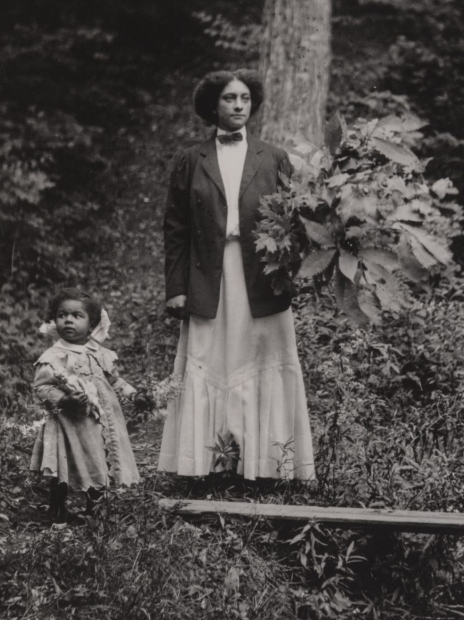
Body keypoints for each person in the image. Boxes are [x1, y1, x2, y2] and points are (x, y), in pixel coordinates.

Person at [158, 69, 315, 480]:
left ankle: (268, 464)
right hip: (208, 274)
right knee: (211, 357)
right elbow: (174, 230)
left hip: (261, 275)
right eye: (229, 99)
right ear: (213, 106)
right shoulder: (191, 159)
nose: (238, 106)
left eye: (245, 99)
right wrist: (176, 288)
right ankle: (205, 463)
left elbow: (297, 219)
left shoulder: (274, 158)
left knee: (260, 357)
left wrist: (296, 270)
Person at [30, 288, 147, 522]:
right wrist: (64, 399)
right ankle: (58, 508)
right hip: (68, 423)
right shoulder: (54, 356)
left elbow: (115, 381)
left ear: (91, 323)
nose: (68, 320)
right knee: (64, 464)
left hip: (98, 423)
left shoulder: (99, 353)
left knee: (98, 459)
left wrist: (134, 396)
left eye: (77, 316)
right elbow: (41, 387)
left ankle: (94, 510)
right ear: (54, 319)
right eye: (62, 315)